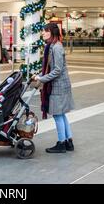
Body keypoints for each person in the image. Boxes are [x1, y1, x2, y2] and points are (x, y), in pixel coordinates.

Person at [34, 23, 75, 154]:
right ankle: (69, 142)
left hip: (58, 86)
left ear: (51, 32)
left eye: (45, 31)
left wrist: (42, 79)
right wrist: (40, 75)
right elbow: (50, 68)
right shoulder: (52, 46)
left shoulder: (56, 48)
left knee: (58, 115)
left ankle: (61, 143)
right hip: (61, 85)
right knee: (61, 114)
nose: (43, 33)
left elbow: (57, 70)